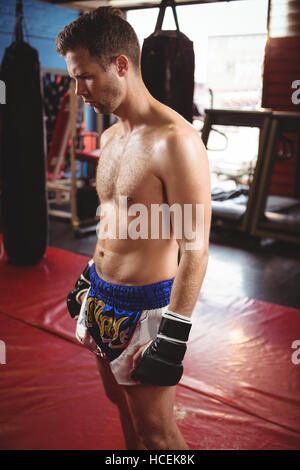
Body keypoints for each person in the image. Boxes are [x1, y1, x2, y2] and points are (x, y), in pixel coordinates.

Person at [57, 7, 211, 450]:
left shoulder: (175, 141)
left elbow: (196, 248)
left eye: (85, 76)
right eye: (74, 77)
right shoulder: (110, 137)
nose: (78, 89)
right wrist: (90, 274)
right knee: (119, 406)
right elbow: (115, 220)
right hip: (101, 298)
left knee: (158, 434)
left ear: (121, 65)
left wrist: (174, 336)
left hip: (147, 312)